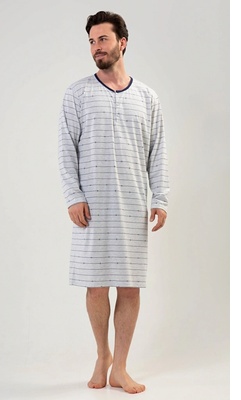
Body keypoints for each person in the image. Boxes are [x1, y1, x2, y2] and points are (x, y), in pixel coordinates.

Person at [58, 11, 169, 394]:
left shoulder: (147, 97)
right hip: (91, 209)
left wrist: (161, 197)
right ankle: (102, 354)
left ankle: (120, 367)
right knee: (95, 287)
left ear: (122, 42)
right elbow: (66, 150)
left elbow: (158, 152)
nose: (96, 47)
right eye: (91, 41)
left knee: (130, 288)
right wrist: (73, 196)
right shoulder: (77, 94)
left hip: (133, 206)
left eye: (102, 39)